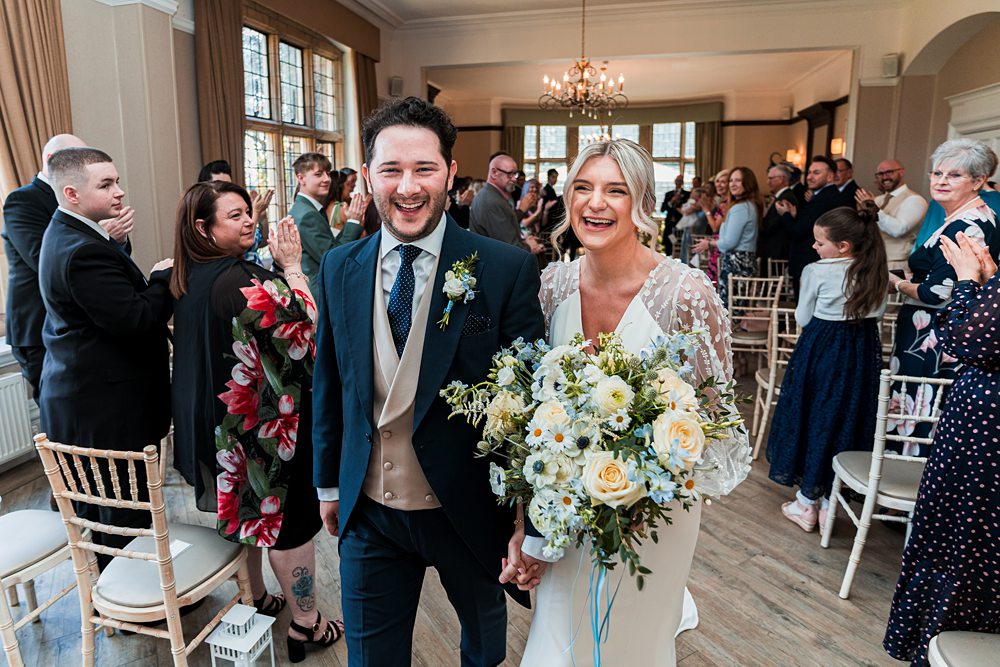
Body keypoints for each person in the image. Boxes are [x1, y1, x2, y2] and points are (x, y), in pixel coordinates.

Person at [311, 97, 546, 667]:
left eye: (424, 169)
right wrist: (328, 484)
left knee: (483, 650)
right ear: (367, 175)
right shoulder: (340, 266)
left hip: (467, 509)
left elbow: (534, 407)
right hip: (370, 511)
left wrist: (529, 524)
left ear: (449, 171)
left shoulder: (504, 267)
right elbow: (331, 380)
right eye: (391, 169)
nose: (408, 187)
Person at [520, 139, 750, 666]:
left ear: (642, 202)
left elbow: (716, 420)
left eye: (615, 191)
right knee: (559, 638)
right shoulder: (551, 286)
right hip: (567, 508)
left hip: (655, 513)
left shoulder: (685, 294)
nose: (595, 203)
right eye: (583, 187)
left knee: (634, 642)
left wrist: (652, 487)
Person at [169, 181, 343, 661]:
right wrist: (291, 267)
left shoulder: (189, 276)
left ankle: (261, 596)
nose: (249, 221)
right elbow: (307, 328)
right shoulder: (240, 279)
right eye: (235, 216)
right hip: (266, 425)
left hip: (222, 422)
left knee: (249, 516)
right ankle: (307, 624)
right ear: (203, 229)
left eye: (249, 212)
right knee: (290, 524)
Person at [37, 147, 173, 567]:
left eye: (117, 181)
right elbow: (137, 319)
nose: (119, 191)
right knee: (121, 510)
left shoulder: (71, 234)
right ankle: (135, 604)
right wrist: (161, 277)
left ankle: (125, 596)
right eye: (106, 184)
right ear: (73, 194)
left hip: (86, 396)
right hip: (103, 406)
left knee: (111, 507)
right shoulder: (81, 252)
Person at [883, 231, 1000, 666]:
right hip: (980, 427)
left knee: (963, 534)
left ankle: (945, 639)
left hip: (985, 436)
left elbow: (962, 342)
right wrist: (990, 281)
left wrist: (968, 280)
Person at [766, 204, 888, 532]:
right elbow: (876, 315)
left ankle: (806, 502)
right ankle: (828, 503)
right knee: (845, 418)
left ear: (843, 246)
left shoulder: (817, 271)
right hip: (861, 353)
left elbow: (803, 318)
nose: (814, 247)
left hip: (822, 348)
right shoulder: (877, 270)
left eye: (820, 243)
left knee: (813, 415)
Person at [886, 139, 998, 456]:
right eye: (937, 173)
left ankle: (907, 487)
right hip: (925, 333)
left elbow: (938, 293)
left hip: (933, 338)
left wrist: (896, 284)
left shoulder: (970, 225)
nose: (941, 181)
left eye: (954, 175)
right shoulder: (959, 217)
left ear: (978, 181)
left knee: (922, 414)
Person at [288, 152, 363, 291]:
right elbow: (332, 258)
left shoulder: (306, 208)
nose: (327, 179)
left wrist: (350, 223)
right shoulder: (307, 215)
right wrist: (353, 222)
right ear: (301, 178)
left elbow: (331, 245)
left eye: (328, 173)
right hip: (318, 291)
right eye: (318, 174)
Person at [692, 166, 761, 308]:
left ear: (747, 183)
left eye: (738, 180)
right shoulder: (748, 205)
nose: (732, 184)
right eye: (731, 180)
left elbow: (730, 241)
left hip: (736, 262)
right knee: (734, 306)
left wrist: (710, 243)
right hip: (743, 260)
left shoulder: (740, 208)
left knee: (729, 308)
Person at [776, 156, 842, 300]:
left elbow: (798, 232)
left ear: (830, 176)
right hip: (811, 261)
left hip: (809, 260)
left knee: (806, 309)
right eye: (809, 173)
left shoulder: (824, 199)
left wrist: (785, 215)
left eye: (816, 173)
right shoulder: (822, 197)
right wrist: (796, 215)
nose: (810, 177)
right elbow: (809, 224)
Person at [855, 159, 929, 271]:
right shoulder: (878, 200)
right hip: (871, 261)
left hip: (896, 264)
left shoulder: (915, 200)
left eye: (889, 172)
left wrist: (874, 211)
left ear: (902, 172)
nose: (884, 177)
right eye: (880, 174)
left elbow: (899, 229)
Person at [469, 152, 542, 255]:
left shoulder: (494, 195)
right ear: (494, 173)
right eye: (509, 174)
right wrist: (529, 247)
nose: (514, 179)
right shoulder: (492, 201)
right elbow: (508, 248)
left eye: (515, 174)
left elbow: (505, 232)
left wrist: (524, 242)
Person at [757, 164, 797, 277]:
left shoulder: (786, 198)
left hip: (776, 252)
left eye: (770, 178)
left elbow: (770, 227)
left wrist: (763, 218)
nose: (767, 182)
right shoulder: (780, 197)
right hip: (772, 252)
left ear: (781, 179)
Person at [659, 173, 690, 255]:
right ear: (674, 182)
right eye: (677, 180)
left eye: (680, 181)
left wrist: (679, 201)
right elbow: (662, 209)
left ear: (682, 183)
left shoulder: (687, 194)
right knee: (668, 244)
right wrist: (672, 201)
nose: (678, 182)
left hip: (680, 224)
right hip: (669, 223)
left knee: (679, 244)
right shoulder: (668, 194)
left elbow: (688, 209)